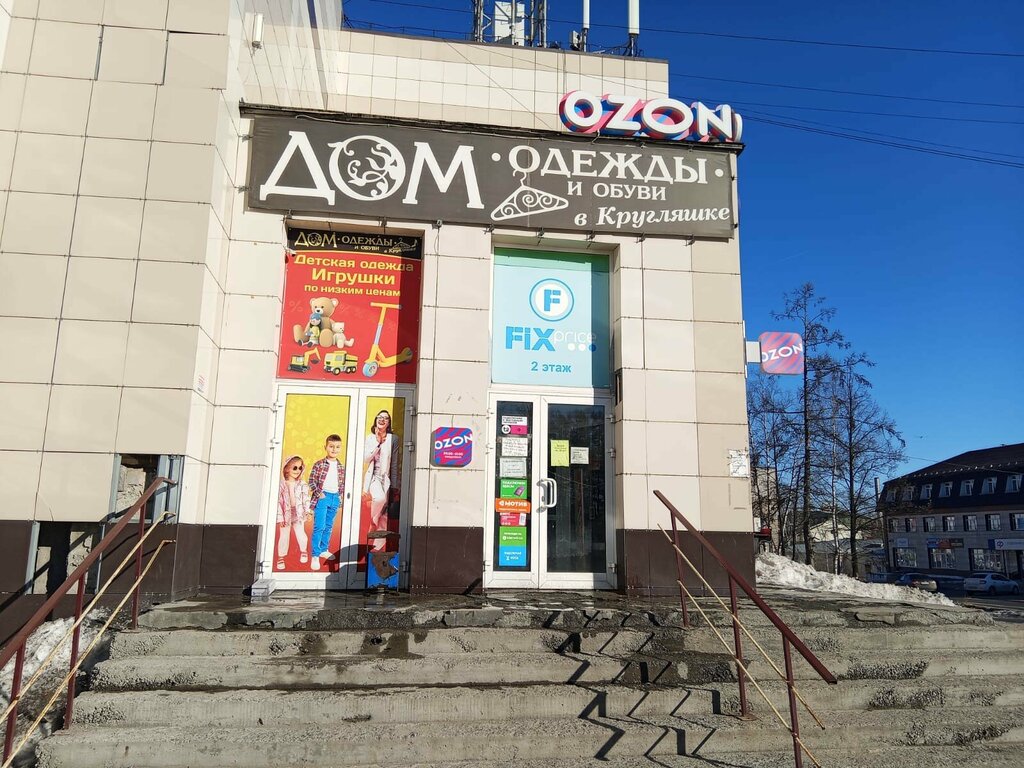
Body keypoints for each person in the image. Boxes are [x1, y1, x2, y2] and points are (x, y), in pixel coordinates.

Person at [362, 410, 401, 551]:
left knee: (385, 514)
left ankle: (377, 546)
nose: (382, 420)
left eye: (386, 418)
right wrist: (378, 444)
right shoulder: (370, 438)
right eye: (380, 417)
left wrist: (395, 486)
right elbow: (366, 459)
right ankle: (373, 522)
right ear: (376, 420)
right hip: (374, 477)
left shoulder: (393, 439)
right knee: (379, 499)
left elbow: (394, 463)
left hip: (387, 478)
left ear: (389, 423)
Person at [307, 434, 345, 571]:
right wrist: (319, 493)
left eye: (337, 447)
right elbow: (311, 481)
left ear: (340, 448)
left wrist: (340, 495)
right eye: (331, 446)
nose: (334, 449)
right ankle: (315, 555)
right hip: (323, 497)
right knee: (319, 526)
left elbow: (342, 483)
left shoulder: (341, 466)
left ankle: (324, 549)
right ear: (326, 447)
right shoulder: (319, 464)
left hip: (335, 498)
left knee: (328, 526)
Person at [276, 456, 310, 570]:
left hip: (298, 513)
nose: (297, 470)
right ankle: (281, 556)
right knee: (284, 535)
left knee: (301, 534)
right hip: (286, 514)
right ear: (287, 469)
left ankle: (303, 551)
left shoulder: (302, 484)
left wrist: (308, 512)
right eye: (294, 468)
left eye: (300, 468)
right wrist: (280, 518)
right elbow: (278, 502)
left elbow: (306, 498)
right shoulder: (282, 484)